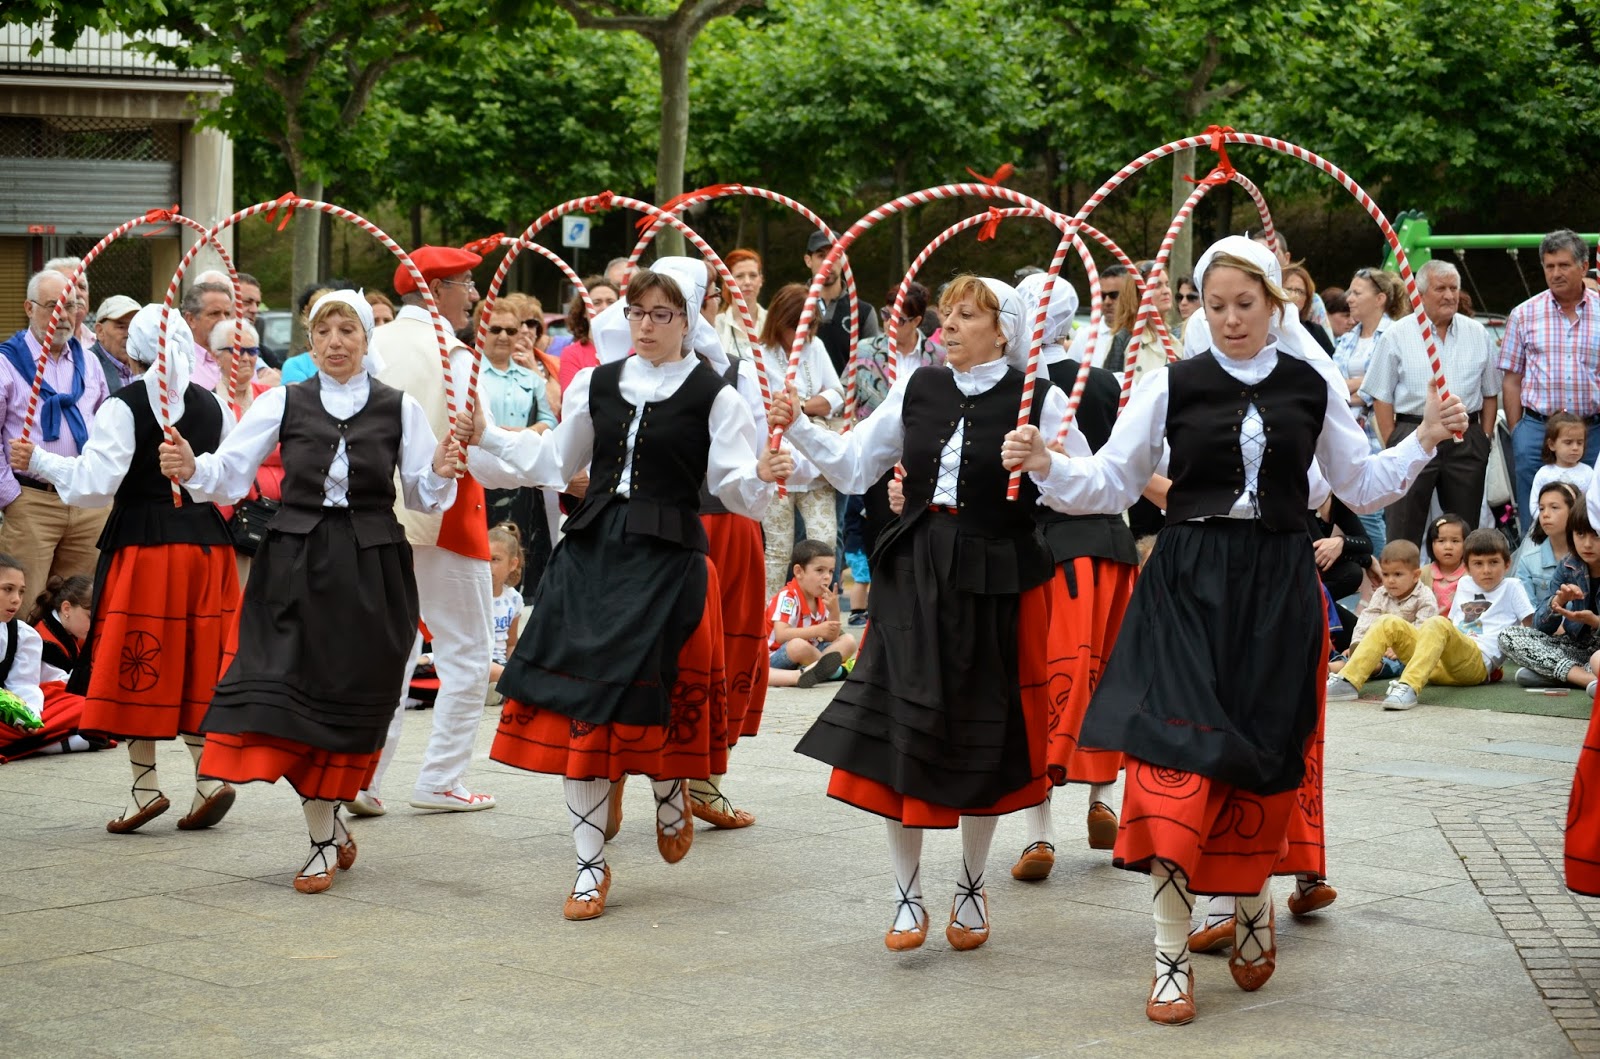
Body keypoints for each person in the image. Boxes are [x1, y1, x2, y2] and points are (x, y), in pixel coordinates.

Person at [1005, 235, 1466, 1024]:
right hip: (1187, 578)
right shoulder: (1169, 385)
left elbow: (1357, 482)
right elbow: (1113, 480)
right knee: (1171, 759)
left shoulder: (1309, 381)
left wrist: (1423, 440)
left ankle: (1250, 898)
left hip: (1279, 582)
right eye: (1214, 306)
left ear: (1274, 305)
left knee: (1261, 754)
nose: (1228, 319)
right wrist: (1048, 462)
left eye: (1244, 304)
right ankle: (1167, 950)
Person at [774, 273, 1091, 956]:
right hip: (913, 570)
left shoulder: (1039, 394)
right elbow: (857, 464)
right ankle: (906, 892)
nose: (947, 324)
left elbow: (1083, 488)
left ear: (1003, 329)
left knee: (981, 730)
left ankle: (972, 886)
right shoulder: (916, 385)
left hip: (994, 576)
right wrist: (797, 422)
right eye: (946, 313)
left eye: (965, 314)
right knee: (903, 728)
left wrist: (1044, 460)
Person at [473, 267, 786, 921]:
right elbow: (557, 463)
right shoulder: (596, 382)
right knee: (580, 709)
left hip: (670, 556)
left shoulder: (715, 394)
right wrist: (487, 437)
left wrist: (760, 473)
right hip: (593, 553)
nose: (645, 324)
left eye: (661, 314)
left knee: (662, 700)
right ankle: (589, 865)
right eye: (637, 311)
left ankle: (670, 783)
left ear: (688, 321)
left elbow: (733, 486)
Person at [161, 289, 466, 893]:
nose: (335, 341)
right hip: (293, 564)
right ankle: (323, 835)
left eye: (347, 330)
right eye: (323, 330)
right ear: (309, 338)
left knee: (351, 698)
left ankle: (332, 817)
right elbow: (229, 474)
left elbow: (426, 495)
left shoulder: (397, 407)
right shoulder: (282, 401)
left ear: (365, 338)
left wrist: (440, 471)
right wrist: (191, 467)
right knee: (290, 695)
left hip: (371, 568)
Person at [11, 303, 242, 830]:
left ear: (134, 353)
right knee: (195, 658)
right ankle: (208, 777)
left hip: (145, 550)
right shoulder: (214, 405)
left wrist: (40, 461)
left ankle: (145, 788)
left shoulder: (124, 404)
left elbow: (97, 481)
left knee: (138, 658)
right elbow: (231, 481)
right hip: (209, 550)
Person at [355, 245, 504, 817]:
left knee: (391, 652)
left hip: (375, 516)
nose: (473, 294)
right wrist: (547, 460)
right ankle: (441, 779)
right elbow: (483, 449)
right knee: (467, 655)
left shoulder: (377, 343)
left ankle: (365, 777)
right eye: (466, 283)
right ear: (436, 290)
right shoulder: (455, 355)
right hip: (446, 514)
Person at [1010, 271, 1140, 880]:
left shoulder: (1023, 388)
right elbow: (1126, 465)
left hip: (1052, 548)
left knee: (1045, 678)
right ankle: (1102, 799)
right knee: (1106, 673)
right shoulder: (1106, 380)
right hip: (1111, 543)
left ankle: (1040, 831)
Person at [1364, 260, 1500, 547]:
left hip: (1465, 438)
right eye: (1441, 288)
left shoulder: (1478, 333)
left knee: (1464, 531)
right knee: (1403, 526)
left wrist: (1483, 438)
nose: (1449, 295)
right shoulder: (1397, 335)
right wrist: (1393, 440)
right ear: (1420, 293)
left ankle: (1461, 589)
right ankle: (1401, 588)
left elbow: (1490, 393)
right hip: (1412, 432)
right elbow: (1381, 396)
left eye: (1454, 288)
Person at [0, 270, 112, 603]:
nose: (63, 315)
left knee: (79, 606)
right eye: (53, 305)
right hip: (32, 501)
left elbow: (106, 428)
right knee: (24, 604)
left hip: (87, 502)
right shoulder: (6, 363)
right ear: (29, 308)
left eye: (71, 305)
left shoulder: (89, 363)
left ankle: (68, 658)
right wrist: (12, 497)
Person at [1329, 528, 1532, 709]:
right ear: (1467, 567)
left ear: (1507, 564)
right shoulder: (1465, 583)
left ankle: (1408, 686)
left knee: (1436, 622)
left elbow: (1530, 627)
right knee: (1387, 622)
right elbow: (1453, 624)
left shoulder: (1512, 586)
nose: (1486, 570)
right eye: (1478, 564)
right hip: (1440, 663)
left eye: (1493, 562)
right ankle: (1348, 681)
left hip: (1475, 664)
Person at [846, 282, 945, 625]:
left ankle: (916, 602)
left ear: (917, 321)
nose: (891, 323)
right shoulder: (865, 350)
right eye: (886, 314)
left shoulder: (938, 357)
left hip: (920, 458)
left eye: (900, 318)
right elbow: (844, 393)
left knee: (919, 527)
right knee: (879, 528)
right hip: (880, 455)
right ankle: (883, 602)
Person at [1500, 230, 1600, 535]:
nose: (1555, 273)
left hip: (1593, 431)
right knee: (1536, 516)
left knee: (1593, 512)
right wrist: (1518, 431)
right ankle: (1536, 575)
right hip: (1536, 430)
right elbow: (1512, 378)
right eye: (1549, 266)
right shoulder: (1524, 314)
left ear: (1583, 267)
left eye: (1563, 265)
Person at [756, 283, 845, 598]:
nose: (800, 334)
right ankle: (768, 625)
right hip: (778, 461)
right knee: (778, 551)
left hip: (814, 460)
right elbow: (759, 408)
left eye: (807, 326)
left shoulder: (816, 347)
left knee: (823, 546)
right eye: (794, 326)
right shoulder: (759, 355)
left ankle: (818, 619)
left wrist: (803, 407)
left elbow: (836, 394)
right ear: (779, 320)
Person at [0, 555, 96, 761]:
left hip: (7, 714)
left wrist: (28, 716)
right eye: (8, 589)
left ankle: (38, 739)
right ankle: (51, 743)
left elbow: (23, 684)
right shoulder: (47, 638)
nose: (16, 599)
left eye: (21, 591)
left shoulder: (21, 634)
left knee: (84, 707)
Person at [1500, 501, 1600, 694]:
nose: (1587, 544)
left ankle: (1555, 675)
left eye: (1595, 535)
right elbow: (1540, 627)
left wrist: (1595, 621)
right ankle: (1586, 679)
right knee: (1509, 636)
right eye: (1580, 534)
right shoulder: (1568, 565)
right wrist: (1557, 603)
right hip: (1575, 647)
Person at [1329, 540, 1438, 678]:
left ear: (1416, 575)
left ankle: (1356, 666)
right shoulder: (1381, 593)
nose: (1390, 580)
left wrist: (1400, 649)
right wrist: (1357, 644)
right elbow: (1366, 619)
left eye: (1397, 574)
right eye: (1385, 574)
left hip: (1405, 654)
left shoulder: (1425, 597)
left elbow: (1424, 630)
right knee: (1354, 655)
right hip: (1376, 646)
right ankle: (1329, 669)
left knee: (1386, 663)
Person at [766, 539, 857, 689]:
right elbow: (781, 635)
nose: (827, 576)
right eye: (820, 570)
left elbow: (831, 637)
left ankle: (818, 670)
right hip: (777, 656)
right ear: (799, 572)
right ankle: (835, 671)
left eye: (830, 571)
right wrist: (817, 630)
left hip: (809, 655)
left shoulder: (822, 597)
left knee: (849, 640)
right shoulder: (788, 597)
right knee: (797, 645)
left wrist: (834, 610)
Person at [802, 231, 879, 375]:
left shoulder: (863, 312)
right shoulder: (792, 306)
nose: (828, 263)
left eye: (835, 256)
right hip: (801, 395)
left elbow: (871, 366)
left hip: (847, 396)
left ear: (845, 260)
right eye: (821, 256)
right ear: (808, 260)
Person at [1513, 481, 1579, 610]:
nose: (1545, 514)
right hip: (1541, 628)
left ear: (1573, 511)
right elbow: (1526, 609)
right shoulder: (1528, 561)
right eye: (1541, 508)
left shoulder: (1588, 556)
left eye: (1554, 507)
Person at [557, 277, 620, 396]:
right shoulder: (572, 354)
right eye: (596, 303)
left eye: (611, 302)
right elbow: (571, 402)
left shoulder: (631, 349)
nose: (604, 308)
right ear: (584, 312)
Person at [1526, 412, 1592, 519]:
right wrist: (1545, 519)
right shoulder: (1544, 473)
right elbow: (1534, 505)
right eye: (1568, 442)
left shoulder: (1588, 473)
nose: (1575, 447)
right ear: (1552, 445)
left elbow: (1593, 503)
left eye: (1579, 443)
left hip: (1579, 527)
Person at [30, 573, 90, 677]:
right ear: (66, 608)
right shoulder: (44, 645)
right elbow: (54, 686)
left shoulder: (73, 628)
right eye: (90, 617)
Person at [487, 522, 523, 689]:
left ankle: (499, 689)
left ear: (513, 563)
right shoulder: (470, 596)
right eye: (483, 558)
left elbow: (511, 643)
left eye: (495, 559)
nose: (487, 566)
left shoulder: (514, 599)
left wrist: (518, 666)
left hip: (500, 664)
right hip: (475, 662)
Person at [715, 248, 768, 360]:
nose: (747, 282)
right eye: (740, 276)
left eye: (753, 276)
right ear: (727, 283)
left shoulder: (772, 322)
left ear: (761, 280)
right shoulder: (716, 326)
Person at [180, 281, 232, 392]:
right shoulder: (180, 364)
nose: (223, 320)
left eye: (227, 314)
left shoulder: (242, 356)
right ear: (191, 319)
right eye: (214, 313)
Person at [90, 295, 143, 390]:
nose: (130, 334)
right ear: (100, 331)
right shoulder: (87, 367)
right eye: (121, 327)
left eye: (134, 327)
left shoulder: (147, 365)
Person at [1281, 264, 1334, 356]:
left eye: (1299, 291)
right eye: (1288, 290)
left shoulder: (1316, 332)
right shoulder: (1266, 330)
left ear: (1307, 299)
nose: (1293, 296)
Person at [1422, 514, 1471, 613]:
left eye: (1455, 541)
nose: (1448, 546)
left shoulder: (1471, 573)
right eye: (1441, 541)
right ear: (1431, 544)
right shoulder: (1424, 573)